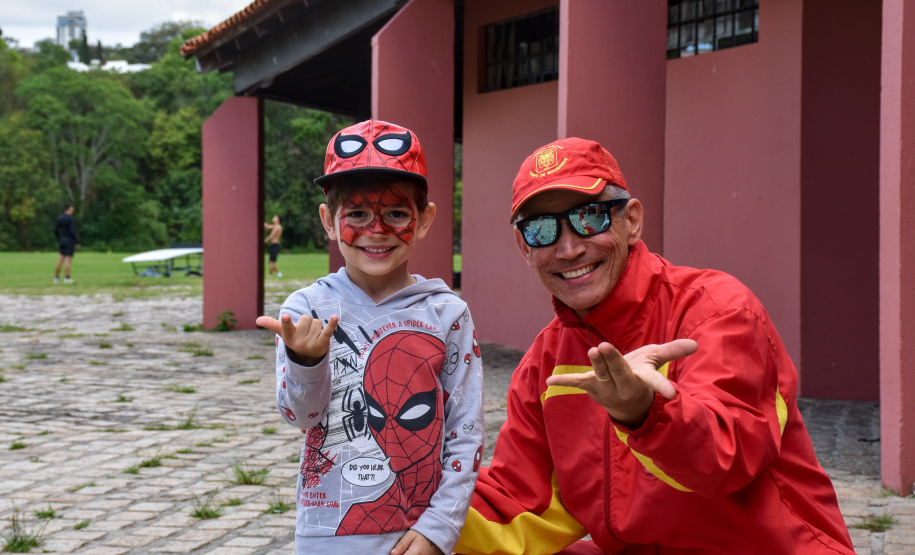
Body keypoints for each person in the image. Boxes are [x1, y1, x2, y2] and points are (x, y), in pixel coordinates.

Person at [454, 138, 856, 554]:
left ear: (632, 220)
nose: (569, 248)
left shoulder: (718, 311)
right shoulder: (545, 364)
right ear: (524, 248)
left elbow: (726, 460)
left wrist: (644, 414)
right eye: (541, 229)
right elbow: (519, 502)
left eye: (588, 217)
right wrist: (399, 501)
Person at [256, 120, 484, 555]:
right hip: (327, 534)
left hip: (420, 533)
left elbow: (465, 429)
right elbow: (300, 418)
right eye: (356, 214)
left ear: (424, 220)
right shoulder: (304, 311)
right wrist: (306, 364)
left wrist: (441, 526)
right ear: (328, 220)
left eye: (397, 213)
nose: (376, 229)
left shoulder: (447, 312)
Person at [54, 203, 79, 284]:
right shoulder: (70, 219)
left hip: (62, 239)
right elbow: (72, 231)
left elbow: (56, 230)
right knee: (68, 260)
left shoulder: (60, 218)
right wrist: (77, 241)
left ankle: (56, 278)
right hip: (69, 240)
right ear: (69, 209)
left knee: (60, 259)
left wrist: (59, 239)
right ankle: (67, 278)